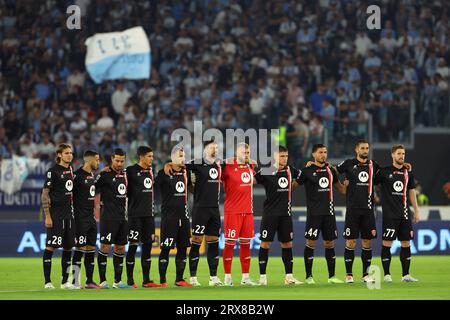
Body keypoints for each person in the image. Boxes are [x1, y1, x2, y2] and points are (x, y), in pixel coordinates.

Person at [164, 139, 223, 286]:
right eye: (212, 147)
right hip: (200, 209)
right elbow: (179, 164)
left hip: (214, 210)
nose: (215, 149)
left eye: (216, 147)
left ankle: (213, 277)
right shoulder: (197, 163)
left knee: (214, 243)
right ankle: (193, 278)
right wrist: (168, 164)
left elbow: (236, 161)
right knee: (196, 242)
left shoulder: (219, 165)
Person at [293, 144, 346, 284]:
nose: (323, 155)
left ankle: (332, 276)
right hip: (313, 214)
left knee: (329, 243)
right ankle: (309, 276)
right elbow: (293, 186)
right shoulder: (306, 171)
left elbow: (341, 189)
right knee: (311, 242)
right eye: (320, 152)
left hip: (329, 213)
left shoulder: (331, 170)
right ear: (313, 154)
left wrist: (352, 183)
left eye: (325, 152)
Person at [255, 145, 303, 285]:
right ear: (275, 157)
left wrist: (310, 165)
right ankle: (262, 277)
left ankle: (289, 277)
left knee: (287, 244)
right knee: (265, 243)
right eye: (282, 156)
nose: (285, 159)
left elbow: (304, 176)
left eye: (286, 156)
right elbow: (250, 181)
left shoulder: (291, 170)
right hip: (270, 214)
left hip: (285, 215)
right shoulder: (266, 171)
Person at [336, 140, 380, 283]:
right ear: (356, 149)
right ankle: (349, 275)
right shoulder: (349, 163)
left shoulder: (373, 165)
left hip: (368, 210)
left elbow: (388, 174)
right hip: (353, 210)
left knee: (367, 242)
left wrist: (403, 167)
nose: (365, 150)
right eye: (362, 148)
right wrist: (341, 186)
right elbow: (331, 171)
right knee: (351, 241)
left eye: (367, 148)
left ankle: (365, 275)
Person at [375, 144, 420, 282]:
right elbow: (371, 182)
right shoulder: (384, 172)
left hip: (405, 214)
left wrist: (416, 210)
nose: (401, 156)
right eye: (399, 153)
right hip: (389, 215)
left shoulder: (408, 173)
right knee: (387, 243)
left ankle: (405, 275)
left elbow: (411, 191)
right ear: (392, 155)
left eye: (403, 154)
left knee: (406, 243)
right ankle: (387, 275)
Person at [221, 143, 258, 286]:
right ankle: (227, 277)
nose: (246, 154)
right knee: (229, 244)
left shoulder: (250, 167)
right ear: (237, 153)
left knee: (245, 244)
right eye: (244, 152)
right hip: (232, 212)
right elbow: (216, 168)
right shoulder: (227, 166)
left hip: (248, 211)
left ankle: (245, 277)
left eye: (248, 151)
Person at [155, 147, 192, 287]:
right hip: (169, 217)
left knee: (183, 248)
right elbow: (153, 188)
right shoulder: (164, 173)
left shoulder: (186, 171)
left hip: (184, 216)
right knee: (165, 248)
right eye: (180, 155)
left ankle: (179, 279)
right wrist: (166, 165)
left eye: (184, 155)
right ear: (173, 157)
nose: (183, 158)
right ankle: (163, 281)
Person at [41, 143, 77, 289]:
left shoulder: (70, 170)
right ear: (59, 155)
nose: (70, 155)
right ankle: (48, 282)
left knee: (68, 248)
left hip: (70, 216)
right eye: (67, 153)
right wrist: (47, 216)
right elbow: (45, 194)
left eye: (71, 153)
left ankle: (64, 282)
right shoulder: (52, 172)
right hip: (56, 216)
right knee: (50, 247)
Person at [95, 148, 131, 289]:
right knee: (105, 246)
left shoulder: (126, 175)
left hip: (123, 217)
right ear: (112, 159)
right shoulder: (104, 175)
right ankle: (103, 281)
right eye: (117, 160)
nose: (120, 163)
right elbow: (91, 188)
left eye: (122, 161)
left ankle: (117, 281)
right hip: (108, 217)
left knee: (121, 247)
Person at [125, 146, 160, 288]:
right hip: (135, 215)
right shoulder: (131, 171)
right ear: (141, 156)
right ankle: (130, 280)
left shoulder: (151, 171)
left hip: (149, 216)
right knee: (133, 246)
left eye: (152, 156)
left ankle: (146, 280)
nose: (152, 159)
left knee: (147, 247)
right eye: (149, 156)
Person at [71, 150, 101, 289]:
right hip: (80, 219)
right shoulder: (76, 176)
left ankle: (89, 281)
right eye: (97, 160)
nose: (98, 162)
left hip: (91, 218)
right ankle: (75, 281)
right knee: (79, 249)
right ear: (89, 160)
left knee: (90, 249)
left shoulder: (92, 176)